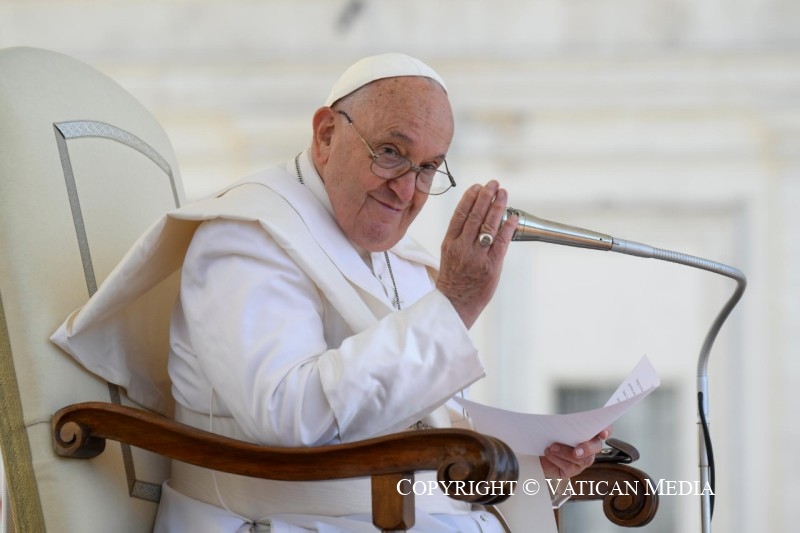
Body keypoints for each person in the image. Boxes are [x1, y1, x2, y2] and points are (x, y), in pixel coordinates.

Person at [53, 53, 608, 532]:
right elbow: (287, 415)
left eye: (428, 168)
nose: (408, 190)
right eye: (391, 151)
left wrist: (534, 463)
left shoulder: (405, 262)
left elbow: (423, 430)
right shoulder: (246, 236)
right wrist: (454, 306)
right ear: (325, 135)